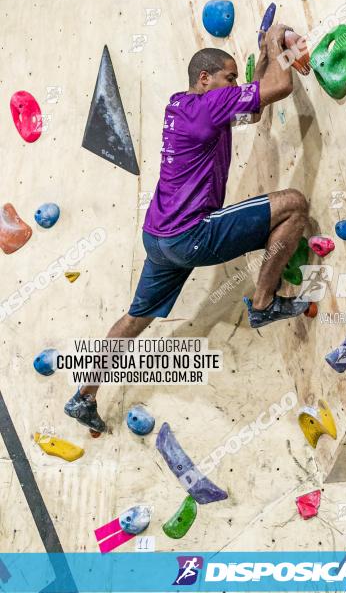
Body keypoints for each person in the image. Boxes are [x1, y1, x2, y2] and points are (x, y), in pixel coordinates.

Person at [65, 24, 310, 433]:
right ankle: (265, 303)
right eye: (228, 78)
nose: (232, 85)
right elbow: (280, 88)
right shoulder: (209, 106)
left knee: (133, 320)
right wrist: (275, 45)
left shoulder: (180, 106)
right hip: (190, 234)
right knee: (294, 206)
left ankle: (84, 396)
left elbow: (252, 108)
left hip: (158, 238)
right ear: (205, 78)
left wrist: (263, 64)